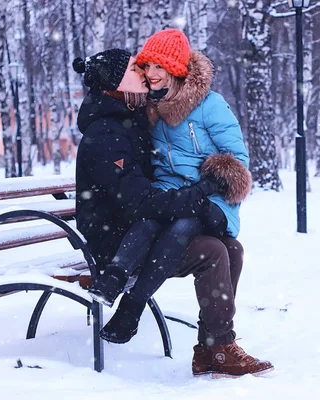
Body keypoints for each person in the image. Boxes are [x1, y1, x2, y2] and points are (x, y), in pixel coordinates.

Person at [73, 49, 273, 378]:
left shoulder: (131, 122)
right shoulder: (106, 136)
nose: (144, 80)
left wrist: (198, 199)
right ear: (117, 87)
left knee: (230, 248)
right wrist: (194, 198)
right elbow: (137, 200)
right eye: (135, 75)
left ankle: (210, 349)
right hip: (116, 244)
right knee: (211, 251)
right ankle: (219, 346)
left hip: (140, 230)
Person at [136, 28, 249, 240]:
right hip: (172, 197)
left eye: (159, 66)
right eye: (147, 66)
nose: (151, 73)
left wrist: (207, 189)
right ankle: (115, 274)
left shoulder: (210, 104)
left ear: (175, 70)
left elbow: (239, 161)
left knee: (181, 228)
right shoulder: (149, 107)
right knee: (146, 226)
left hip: (213, 200)